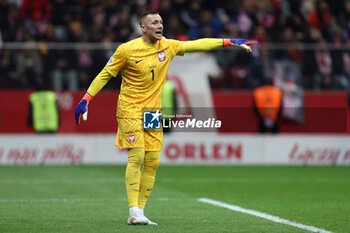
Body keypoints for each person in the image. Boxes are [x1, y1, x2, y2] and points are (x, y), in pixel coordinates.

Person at [74, 10, 257, 226]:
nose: (159, 25)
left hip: (152, 112)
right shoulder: (127, 50)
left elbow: (197, 44)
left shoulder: (167, 46)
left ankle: (140, 212)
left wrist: (228, 42)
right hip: (130, 108)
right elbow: (105, 73)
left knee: (152, 161)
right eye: (154, 22)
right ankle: (133, 210)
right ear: (143, 28)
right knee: (138, 157)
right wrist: (86, 98)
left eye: (161, 22)